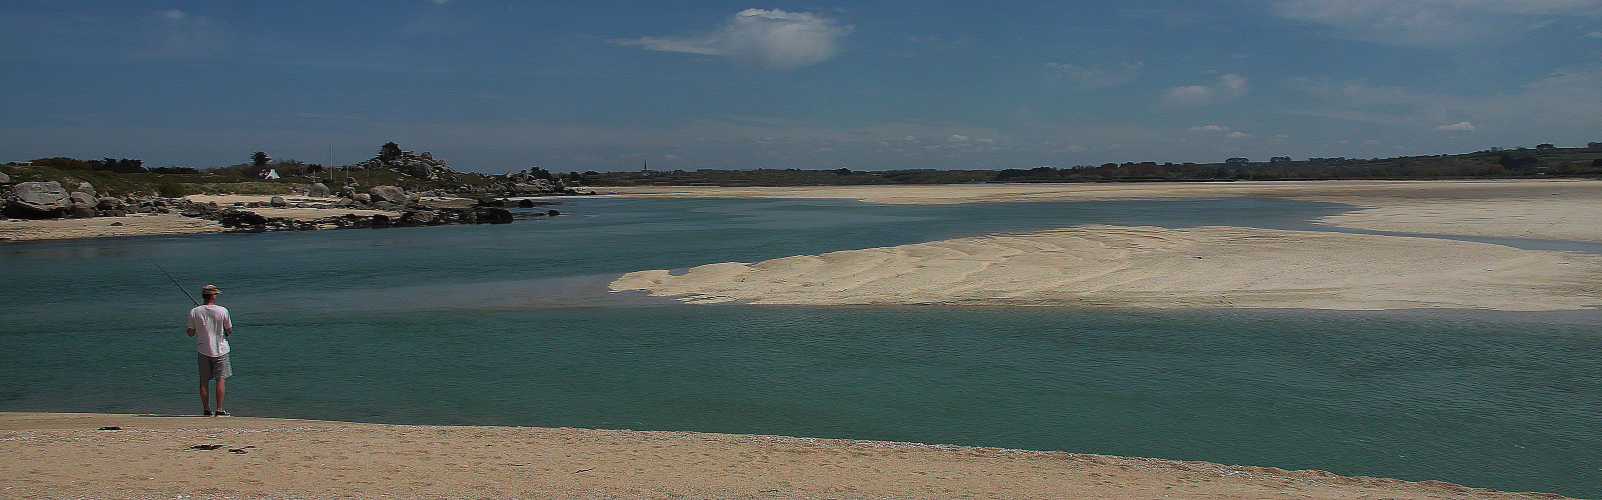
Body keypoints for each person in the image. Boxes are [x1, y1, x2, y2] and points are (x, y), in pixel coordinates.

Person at [187, 284, 233, 416]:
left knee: (204, 381)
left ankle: (206, 409)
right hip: (221, 350)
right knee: (220, 379)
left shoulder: (195, 312)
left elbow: (190, 333)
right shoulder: (223, 311)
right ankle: (219, 409)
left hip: (203, 349)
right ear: (213, 296)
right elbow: (229, 330)